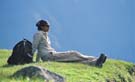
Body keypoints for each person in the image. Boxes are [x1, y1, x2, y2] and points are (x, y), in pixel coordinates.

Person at [32, 19, 107, 67]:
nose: (49, 27)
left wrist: (37, 62)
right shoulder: (38, 34)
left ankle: (95, 63)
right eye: (47, 26)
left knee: (74, 61)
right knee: (74, 54)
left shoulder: (45, 35)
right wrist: (32, 59)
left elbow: (39, 50)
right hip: (49, 56)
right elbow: (35, 47)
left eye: (49, 26)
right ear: (41, 27)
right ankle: (97, 59)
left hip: (50, 56)